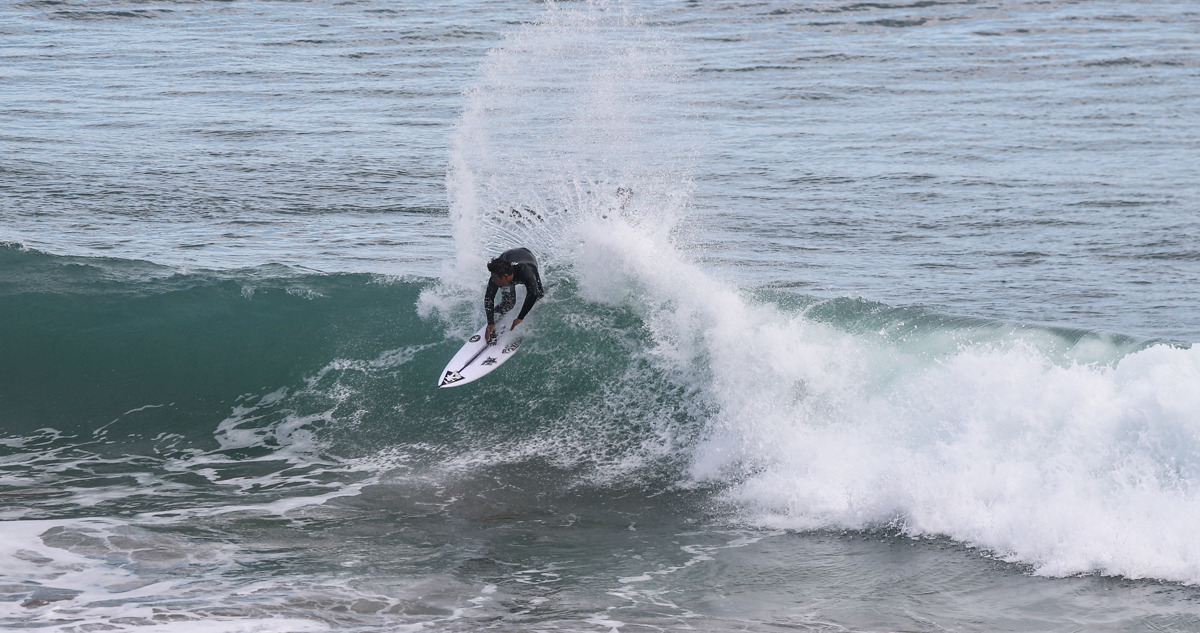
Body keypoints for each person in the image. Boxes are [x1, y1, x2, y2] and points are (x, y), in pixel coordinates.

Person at [484, 247, 545, 344]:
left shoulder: (525, 272)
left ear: (505, 277)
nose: (493, 280)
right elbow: (488, 298)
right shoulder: (497, 275)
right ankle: (495, 322)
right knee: (508, 304)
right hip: (506, 257)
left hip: (527, 257)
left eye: (495, 278)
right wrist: (490, 322)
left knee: (539, 296)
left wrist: (520, 317)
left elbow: (533, 294)